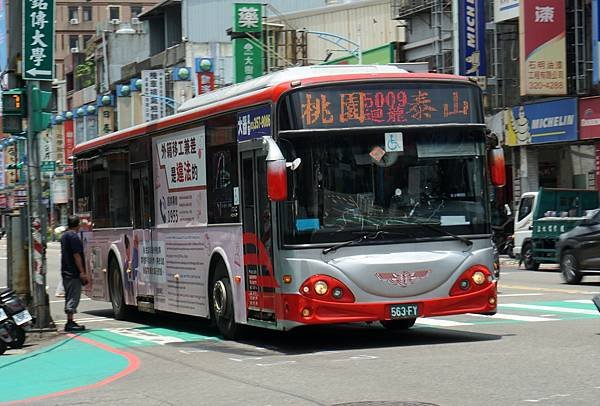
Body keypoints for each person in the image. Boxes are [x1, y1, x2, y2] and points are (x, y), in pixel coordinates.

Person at [60, 215, 89, 332]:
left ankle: (70, 321)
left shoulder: (64, 236)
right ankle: (70, 322)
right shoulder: (73, 237)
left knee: (69, 296)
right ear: (77, 225)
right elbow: (76, 255)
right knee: (73, 297)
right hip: (73, 273)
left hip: (65, 271)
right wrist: (82, 272)